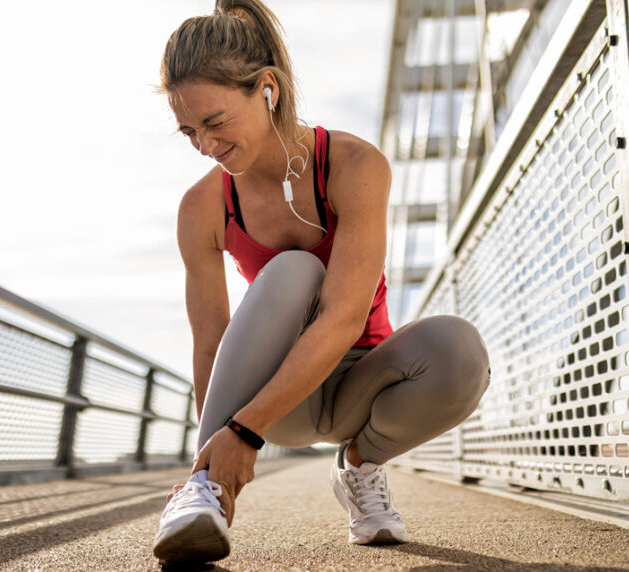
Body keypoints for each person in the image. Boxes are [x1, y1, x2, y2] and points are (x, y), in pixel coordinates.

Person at [153, 0, 490, 565]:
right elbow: (210, 343)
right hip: (282, 398)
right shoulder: (202, 207)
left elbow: (344, 318)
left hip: (364, 382)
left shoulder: (355, 165)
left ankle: (360, 465)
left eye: (214, 122)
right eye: (189, 131)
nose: (204, 146)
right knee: (294, 269)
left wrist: (244, 434)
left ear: (267, 89)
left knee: (460, 350)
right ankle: (200, 492)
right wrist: (214, 452)